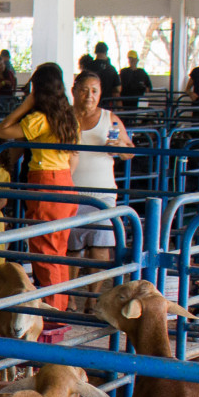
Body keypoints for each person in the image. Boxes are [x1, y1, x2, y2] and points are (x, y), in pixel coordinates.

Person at [0, 62, 78, 309]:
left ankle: (52, 311)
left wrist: (27, 103)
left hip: (44, 181)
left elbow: (2, 130)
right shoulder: (69, 116)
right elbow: (74, 157)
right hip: (65, 180)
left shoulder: (40, 118)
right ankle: (59, 307)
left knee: (43, 250)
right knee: (58, 249)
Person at [66, 69, 132, 289]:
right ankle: (69, 297)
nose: (89, 96)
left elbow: (129, 152)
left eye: (94, 91)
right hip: (70, 191)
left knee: (100, 247)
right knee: (71, 246)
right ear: (74, 91)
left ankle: (93, 298)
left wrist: (119, 146)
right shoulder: (65, 117)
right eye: (84, 90)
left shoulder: (109, 119)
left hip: (103, 192)